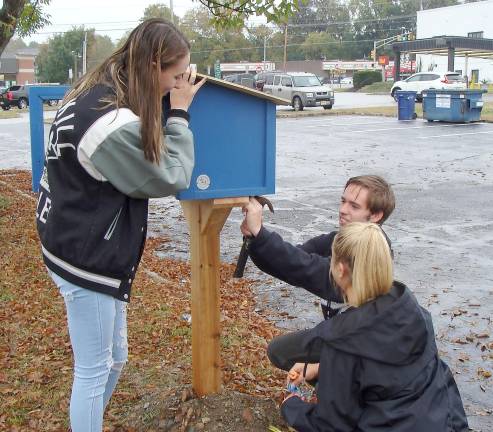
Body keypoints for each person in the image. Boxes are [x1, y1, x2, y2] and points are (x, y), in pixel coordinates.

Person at [35, 19, 205, 432]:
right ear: (151, 66)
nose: (176, 84)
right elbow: (169, 175)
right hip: (85, 256)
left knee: (116, 359)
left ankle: (88, 422)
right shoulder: (108, 121)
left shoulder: (95, 91)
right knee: (93, 370)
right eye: (173, 75)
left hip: (73, 236)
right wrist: (179, 114)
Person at [280, 222, 468, 431]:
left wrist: (292, 405)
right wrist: (321, 369)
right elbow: (387, 374)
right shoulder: (412, 311)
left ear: (340, 270)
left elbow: (331, 425)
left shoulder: (344, 340)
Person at [240, 175, 395, 372]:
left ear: (375, 216)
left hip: (365, 344)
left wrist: (261, 233)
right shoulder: (341, 239)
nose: (343, 210)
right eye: (343, 201)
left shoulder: (372, 252)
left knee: (280, 351)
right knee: (283, 351)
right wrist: (256, 238)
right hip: (346, 333)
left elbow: (313, 272)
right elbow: (292, 260)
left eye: (354, 206)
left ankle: (343, 387)